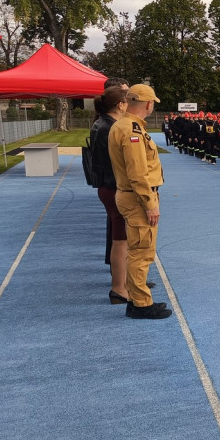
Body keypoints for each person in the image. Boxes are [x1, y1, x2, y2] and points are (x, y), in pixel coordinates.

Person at [107, 84, 171, 319]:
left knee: (140, 250)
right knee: (141, 252)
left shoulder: (126, 126)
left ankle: (138, 298)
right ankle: (140, 304)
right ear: (148, 103)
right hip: (137, 197)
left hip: (133, 195)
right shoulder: (132, 130)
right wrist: (149, 203)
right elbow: (137, 172)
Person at [90, 80, 132, 304]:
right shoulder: (110, 127)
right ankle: (119, 288)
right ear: (120, 105)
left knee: (121, 238)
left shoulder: (102, 123)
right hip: (114, 186)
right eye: (126, 101)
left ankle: (122, 284)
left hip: (107, 185)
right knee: (121, 240)